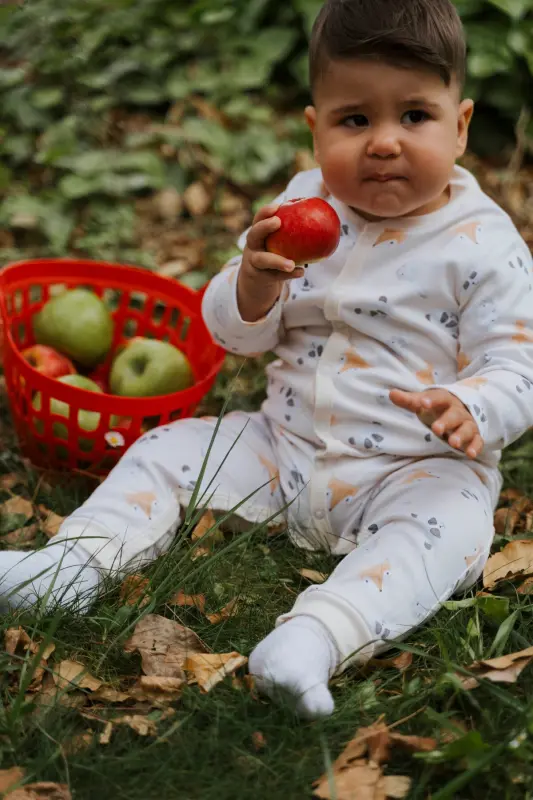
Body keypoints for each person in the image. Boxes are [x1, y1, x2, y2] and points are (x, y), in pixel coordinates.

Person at [2, 0, 533, 719]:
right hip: (283, 448)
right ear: (315, 130)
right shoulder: (301, 205)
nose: (383, 142)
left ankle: (317, 635)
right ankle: (72, 566)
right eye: (354, 120)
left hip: (412, 465)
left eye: (414, 116)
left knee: (450, 530)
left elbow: (518, 364)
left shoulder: (483, 247)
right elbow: (234, 336)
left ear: (461, 125)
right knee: (165, 450)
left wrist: (474, 406)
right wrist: (252, 285)